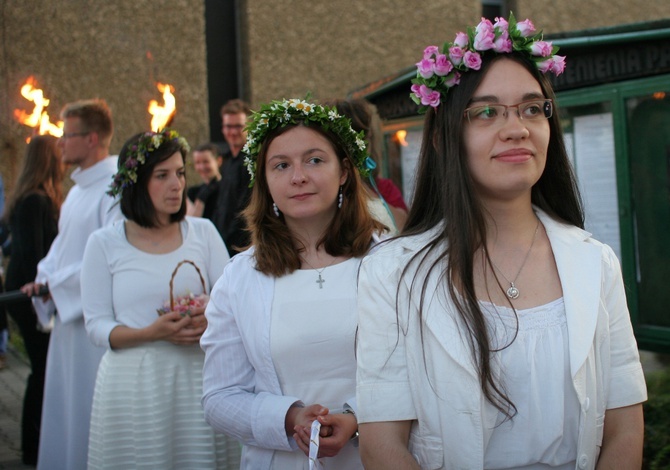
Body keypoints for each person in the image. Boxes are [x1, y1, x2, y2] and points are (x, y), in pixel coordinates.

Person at [355, 15, 647, 470]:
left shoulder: (595, 262)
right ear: (444, 137)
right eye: (487, 112)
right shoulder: (393, 273)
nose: (517, 128)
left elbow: (625, 427)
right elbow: (382, 442)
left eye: (532, 108)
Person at [201, 98, 385, 469]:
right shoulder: (240, 278)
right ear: (265, 182)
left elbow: (418, 369)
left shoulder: (390, 263)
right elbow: (220, 397)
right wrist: (289, 417)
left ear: (345, 171)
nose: (298, 176)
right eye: (281, 165)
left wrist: (356, 418)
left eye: (314, 160)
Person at [81, 129, 241, 469]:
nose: (177, 185)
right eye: (163, 175)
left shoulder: (203, 232)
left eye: (181, 173)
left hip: (198, 377)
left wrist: (207, 314)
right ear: (136, 182)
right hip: (135, 383)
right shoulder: (104, 243)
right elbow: (96, 325)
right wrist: (152, 332)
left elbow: (232, 300)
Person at [21, 99, 121, 470]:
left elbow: (109, 256)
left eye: (67, 135)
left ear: (92, 138)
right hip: (67, 321)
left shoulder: (114, 188)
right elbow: (60, 251)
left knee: (87, 414)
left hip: (90, 327)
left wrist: (54, 286)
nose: (60, 144)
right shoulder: (78, 190)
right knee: (65, 410)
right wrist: (43, 278)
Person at [3, 135, 63, 466]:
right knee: (40, 371)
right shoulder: (36, 201)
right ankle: (32, 447)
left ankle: (33, 443)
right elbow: (34, 254)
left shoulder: (30, 197)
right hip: (29, 298)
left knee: (39, 370)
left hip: (28, 294)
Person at [323, 98, 409, 234]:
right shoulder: (317, 190)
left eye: (363, 140)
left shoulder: (383, 188)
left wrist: (364, 187)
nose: (355, 150)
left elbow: (407, 229)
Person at [212, 98, 253, 256]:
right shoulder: (227, 162)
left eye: (238, 126)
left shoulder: (251, 163)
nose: (233, 132)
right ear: (223, 128)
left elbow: (244, 208)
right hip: (222, 243)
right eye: (229, 126)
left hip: (240, 247)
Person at [186, 142, 223, 222]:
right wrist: (201, 198)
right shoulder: (193, 192)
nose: (202, 167)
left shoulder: (227, 188)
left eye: (206, 162)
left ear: (219, 161)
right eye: (198, 163)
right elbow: (191, 221)